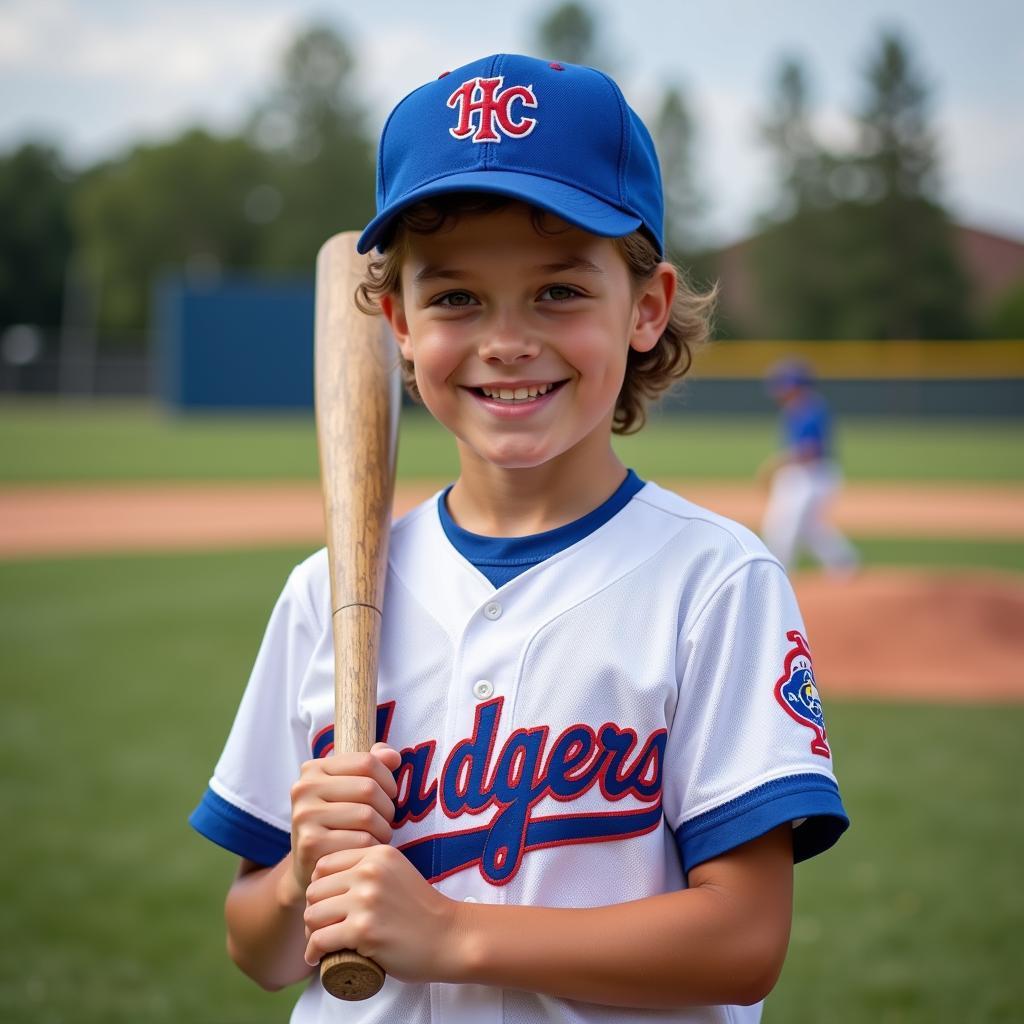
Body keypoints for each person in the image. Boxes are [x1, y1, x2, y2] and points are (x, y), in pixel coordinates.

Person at [190, 54, 849, 1023]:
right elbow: (257, 944)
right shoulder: (325, 593)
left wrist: (454, 933)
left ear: (647, 307)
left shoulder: (714, 582)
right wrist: (300, 875)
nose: (507, 338)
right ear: (395, 322)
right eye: (454, 296)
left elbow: (743, 940)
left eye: (557, 292)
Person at [758, 360, 860, 575]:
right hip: (805, 475)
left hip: (813, 475)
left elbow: (809, 450)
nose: (780, 390)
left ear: (797, 385)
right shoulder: (797, 408)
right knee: (807, 527)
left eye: (785, 384)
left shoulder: (810, 409)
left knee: (782, 526)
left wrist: (775, 465)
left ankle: (776, 572)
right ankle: (844, 562)